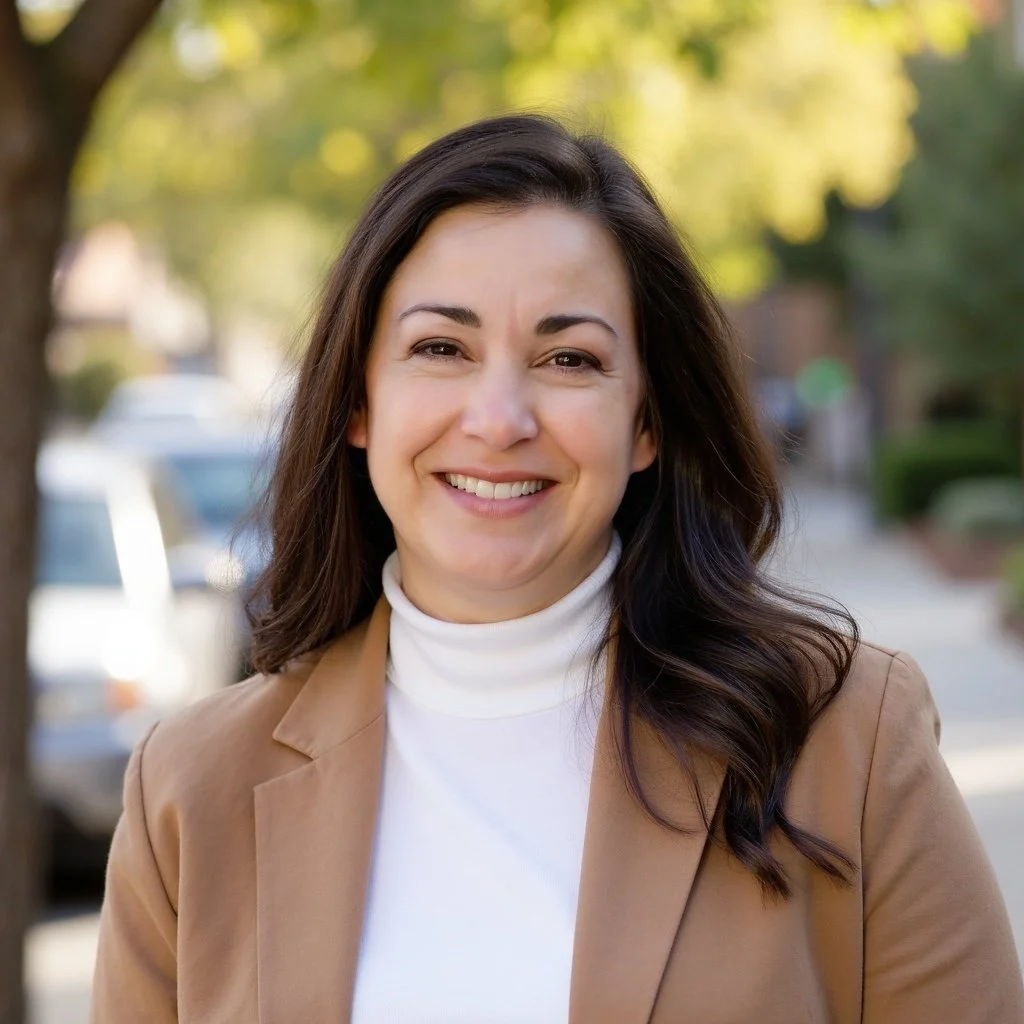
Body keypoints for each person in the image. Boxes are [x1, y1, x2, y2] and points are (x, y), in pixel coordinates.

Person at [91, 114, 1024, 1023]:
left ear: (646, 423)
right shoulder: (190, 790)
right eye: (441, 349)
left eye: (569, 358)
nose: (499, 419)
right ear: (358, 404)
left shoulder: (844, 740)